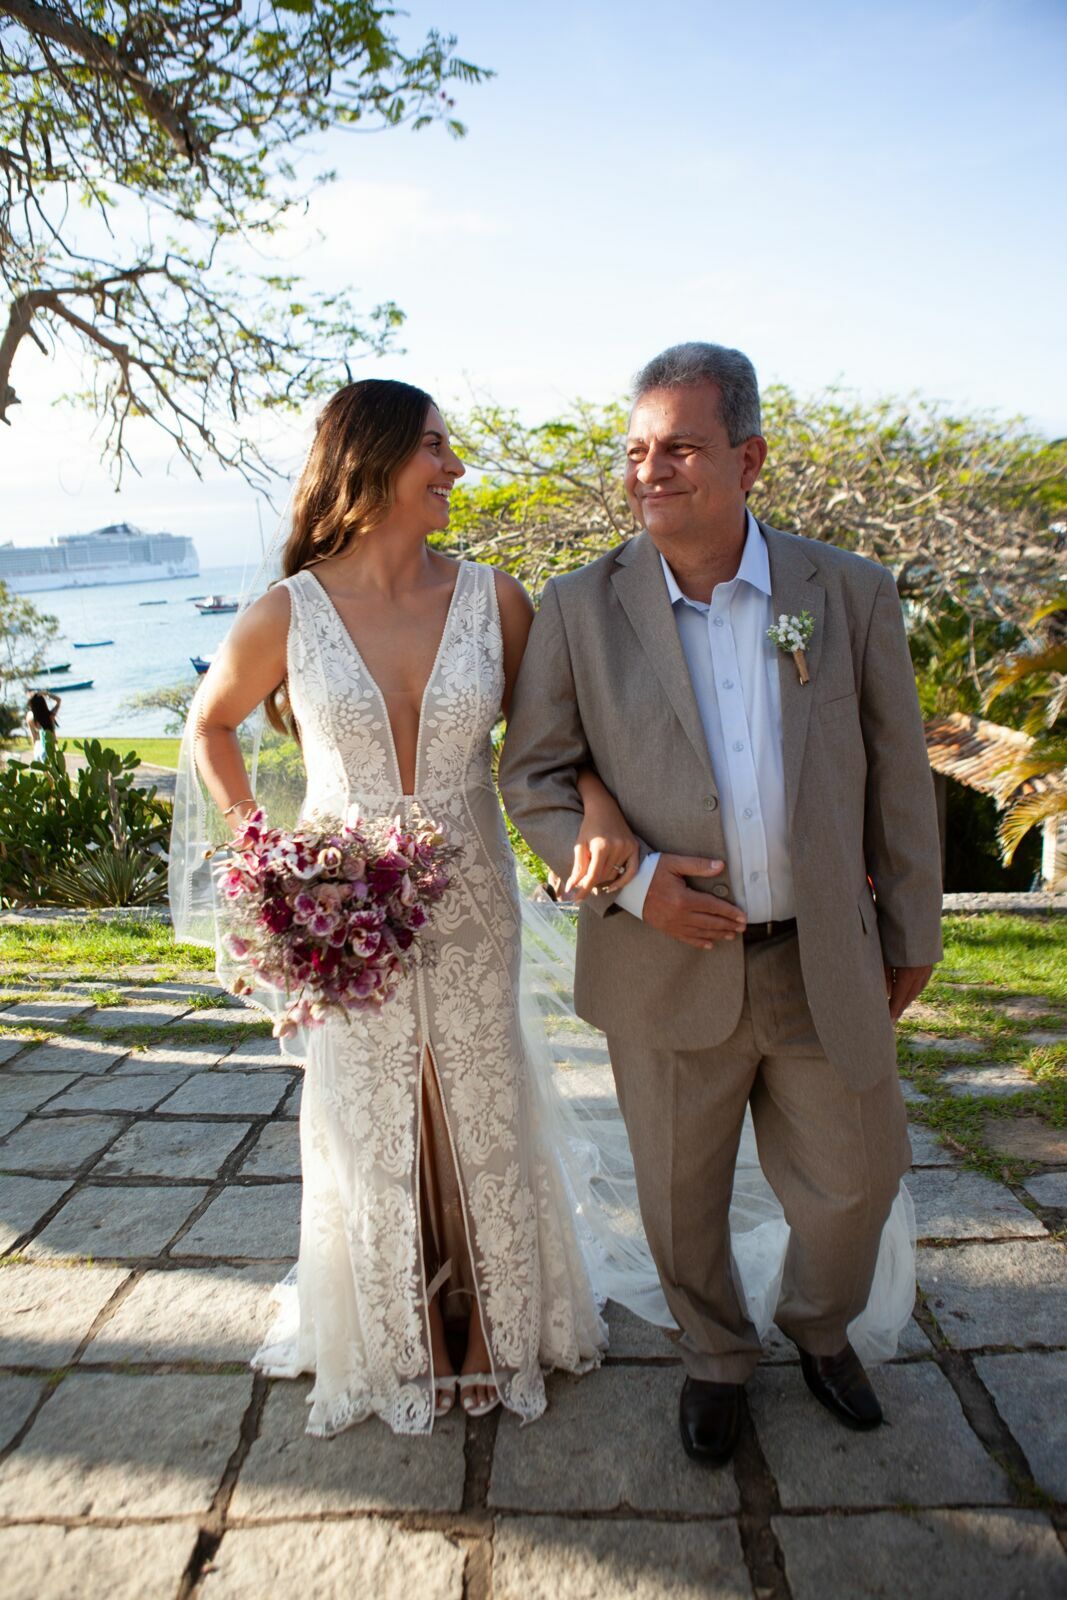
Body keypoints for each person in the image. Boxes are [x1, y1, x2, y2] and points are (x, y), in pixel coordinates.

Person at [499, 342, 943, 1468]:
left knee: (857, 1179)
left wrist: (911, 927)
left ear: (747, 458)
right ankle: (712, 1355)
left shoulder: (844, 593)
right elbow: (533, 775)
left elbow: (897, 774)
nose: (652, 471)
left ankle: (817, 1324)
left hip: (820, 959)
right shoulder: (576, 608)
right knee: (677, 1197)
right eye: (638, 451)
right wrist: (639, 883)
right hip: (663, 966)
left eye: (681, 449)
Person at [187, 379, 640, 1437]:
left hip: (472, 888)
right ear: (374, 459)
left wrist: (600, 806)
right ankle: (399, 1335)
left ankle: (490, 1327)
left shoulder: (495, 599)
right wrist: (270, 854)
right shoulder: (286, 611)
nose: (455, 466)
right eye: (435, 446)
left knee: (479, 1091)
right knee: (372, 1104)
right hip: (343, 897)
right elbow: (210, 726)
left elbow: (552, 738)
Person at [26, 691, 61, 762]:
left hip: (39, 747)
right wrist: (46, 694)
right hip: (51, 746)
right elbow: (58, 700)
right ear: (43, 703)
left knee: (45, 770)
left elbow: (34, 738)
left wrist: (35, 750)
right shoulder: (50, 716)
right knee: (54, 770)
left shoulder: (29, 717)